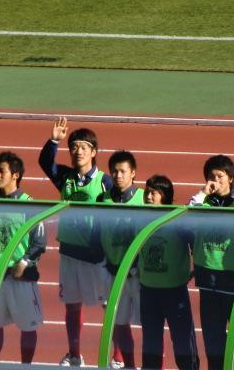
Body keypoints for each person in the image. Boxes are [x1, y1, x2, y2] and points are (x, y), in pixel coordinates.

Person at [38, 116, 113, 366]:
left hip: (95, 255)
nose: (78, 151)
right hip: (69, 252)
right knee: (71, 305)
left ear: (94, 152)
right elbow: (45, 163)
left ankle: (118, 357)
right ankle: (74, 354)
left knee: (107, 305)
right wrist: (53, 141)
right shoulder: (66, 177)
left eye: (83, 147)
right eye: (74, 147)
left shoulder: (104, 181)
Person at [189, 154, 234, 370]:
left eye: (220, 176)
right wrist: (202, 193)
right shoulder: (202, 202)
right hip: (208, 283)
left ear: (231, 178)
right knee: (214, 346)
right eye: (211, 177)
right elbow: (187, 219)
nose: (215, 181)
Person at [0, 151, 46, 364]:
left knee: (28, 327)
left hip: (21, 279)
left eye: (2, 171)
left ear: (15, 175)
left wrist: (24, 263)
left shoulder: (29, 204)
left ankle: (26, 366)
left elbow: (39, 242)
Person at [139, 174, 200, 370]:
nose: (149, 197)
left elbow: (195, 242)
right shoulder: (140, 218)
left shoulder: (177, 219)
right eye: (147, 192)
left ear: (165, 195)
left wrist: (197, 267)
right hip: (148, 290)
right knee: (151, 343)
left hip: (174, 291)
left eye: (154, 193)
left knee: (183, 341)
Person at [97, 150, 144, 369]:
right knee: (120, 323)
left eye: (123, 171)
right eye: (114, 171)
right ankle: (129, 365)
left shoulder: (144, 198)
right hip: (114, 272)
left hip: (139, 275)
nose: (118, 176)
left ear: (133, 173)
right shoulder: (103, 199)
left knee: (151, 326)